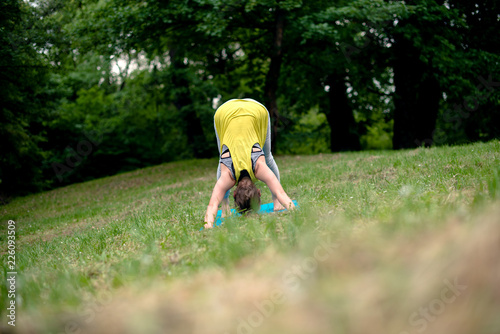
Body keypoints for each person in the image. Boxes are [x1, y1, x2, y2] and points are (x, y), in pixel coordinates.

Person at [204, 98, 295, 229]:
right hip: (224, 112)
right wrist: (208, 226)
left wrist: (295, 212)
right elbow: (211, 206)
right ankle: (276, 204)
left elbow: (282, 195)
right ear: (235, 193)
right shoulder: (227, 176)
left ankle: (225, 208)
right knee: (266, 156)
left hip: (253, 110)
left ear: (258, 192)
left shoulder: (259, 168)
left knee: (266, 158)